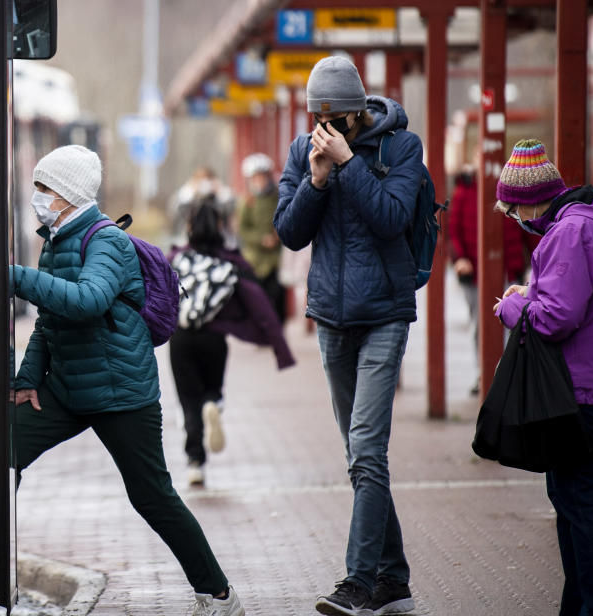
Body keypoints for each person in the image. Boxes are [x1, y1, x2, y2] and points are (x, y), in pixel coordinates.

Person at [12, 145, 245, 616]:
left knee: (152, 496)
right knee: (0, 456)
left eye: (44, 188)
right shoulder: (54, 241)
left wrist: (15, 276)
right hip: (68, 387)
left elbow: (87, 300)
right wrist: (26, 380)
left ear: (69, 193)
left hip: (122, 392)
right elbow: (48, 320)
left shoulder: (107, 242)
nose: (37, 196)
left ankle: (218, 595)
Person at [273, 55, 419, 616]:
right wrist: (315, 178)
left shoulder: (400, 147)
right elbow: (288, 232)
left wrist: (348, 164)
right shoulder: (301, 150)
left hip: (384, 312)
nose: (327, 128)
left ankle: (359, 584)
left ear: (358, 111)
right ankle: (395, 579)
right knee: (360, 456)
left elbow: (391, 218)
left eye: (337, 118)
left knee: (366, 452)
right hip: (331, 318)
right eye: (319, 118)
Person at [493, 139, 593, 616]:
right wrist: (535, 289)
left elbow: (555, 318)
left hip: (577, 387)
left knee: (579, 499)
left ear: (530, 199)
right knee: (572, 495)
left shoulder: (570, 232)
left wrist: (513, 305)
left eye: (512, 209)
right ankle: (579, 603)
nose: (513, 218)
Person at [169, 199, 294, 487]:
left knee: (188, 401)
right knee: (211, 390)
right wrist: (279, 347)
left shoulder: (175, 259)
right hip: (215, 338)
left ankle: (195, 462)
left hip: (182, 338)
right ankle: (214, 403)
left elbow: (153, 294)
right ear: (220, 227)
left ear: (189, 227)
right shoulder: (232, 261)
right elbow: (260, 304)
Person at [447, 154, 531, 395]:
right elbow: (454, 231)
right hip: (473, 272)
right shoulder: (464, 192)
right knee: (479, 323)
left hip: (508, 269)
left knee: (511, 323)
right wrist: (460, 258)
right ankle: (484, 372)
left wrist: (535, 263)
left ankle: (507, 372)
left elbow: (527, 231)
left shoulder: (512, 195)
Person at [237, 152, 285, 322]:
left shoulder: (278, 196)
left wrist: (278, 235)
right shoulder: (247, 201)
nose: (260, 181)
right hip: (254, 258)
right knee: (257, 297)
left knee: (278, 295)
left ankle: (278, 329)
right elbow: (242, 230)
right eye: (256, 178)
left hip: (275, 258)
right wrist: (260, 239)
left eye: (262, 177)